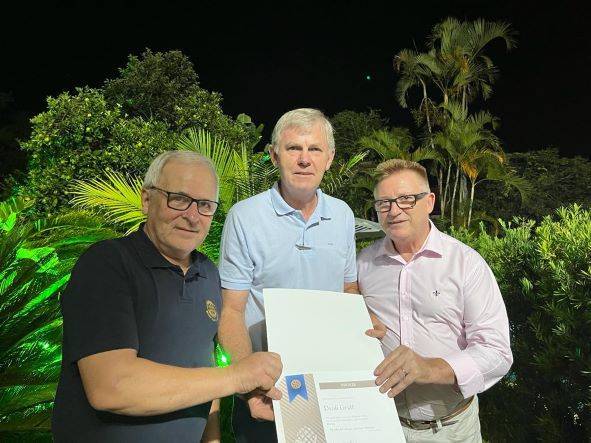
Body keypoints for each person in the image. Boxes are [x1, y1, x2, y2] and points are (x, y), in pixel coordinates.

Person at [52, 151, 282, 443]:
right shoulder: (108, 264)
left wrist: (212, 440)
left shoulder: (208, 273)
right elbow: (112, 387)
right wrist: (238, 376)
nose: (192, 216)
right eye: (179, 199)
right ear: (147, 199)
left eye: (205, 205)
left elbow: (204, 369)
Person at [218, 108, 362, 442]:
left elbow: (349, 290)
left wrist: (363, 329)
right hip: (267, 390)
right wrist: (249, 386)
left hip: (328, 385)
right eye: (294, 148)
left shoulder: (342, 215)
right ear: (274, 156)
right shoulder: (245, 217)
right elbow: (232, 311)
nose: (304, 159)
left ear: (329, 158)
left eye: (315, 149)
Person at [357, 159, 513, 442]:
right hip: (381, 425)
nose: (394, 211)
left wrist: (429, 368)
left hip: (452, 429)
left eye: (406, 199)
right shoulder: (362, 265)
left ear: (429, 202)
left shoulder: (465, 264)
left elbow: (496, 353)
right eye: (384, 203)